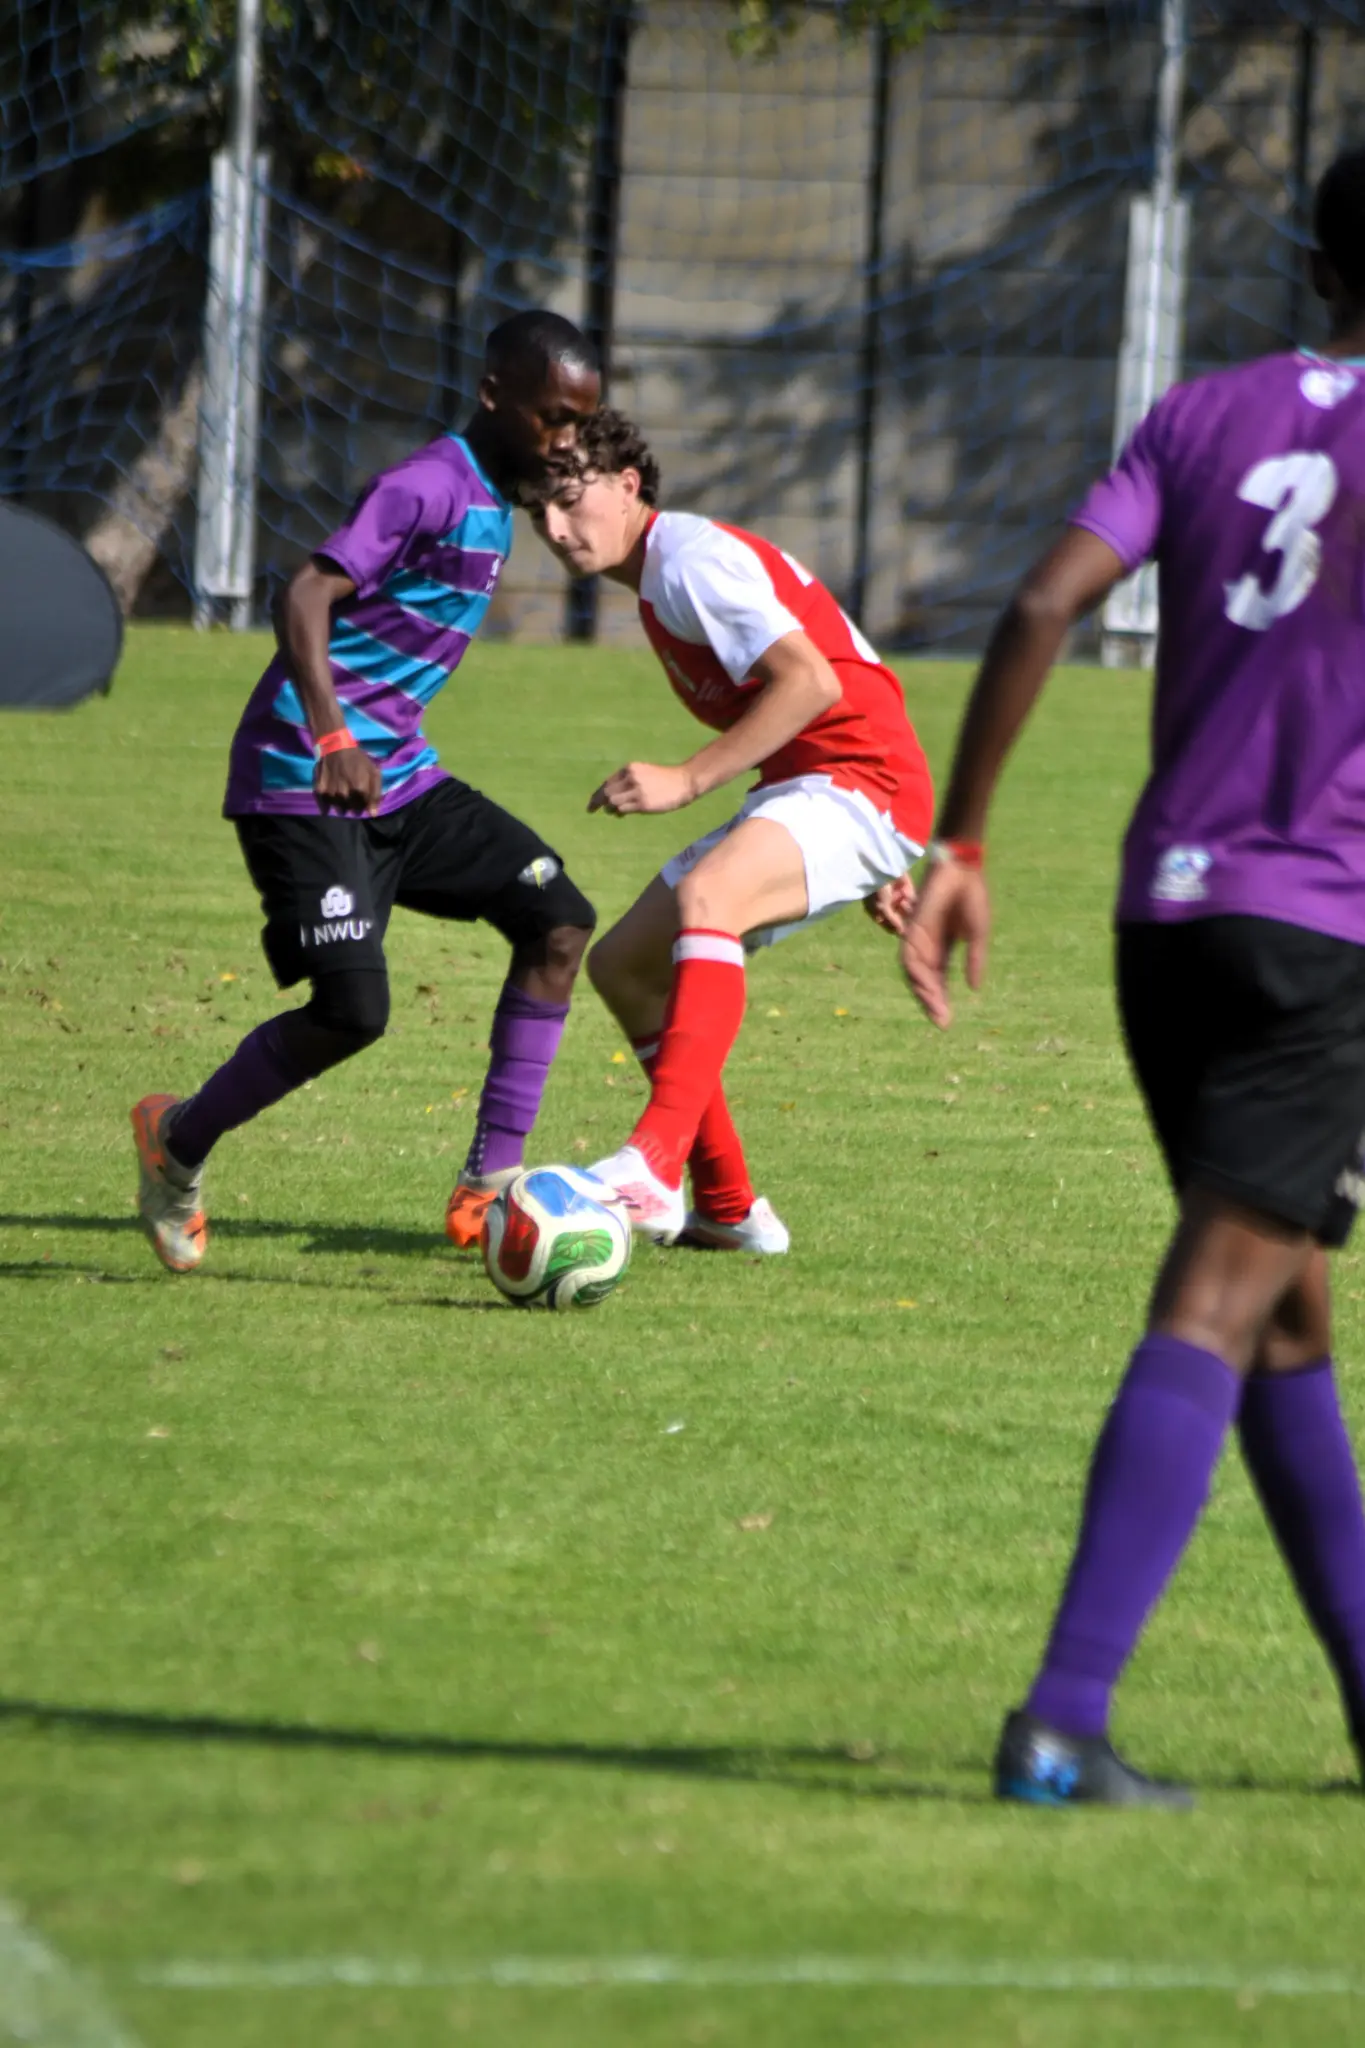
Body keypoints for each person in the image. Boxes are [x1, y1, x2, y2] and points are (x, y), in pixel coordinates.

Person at [903, 145, 1365, 1806]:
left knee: (1287, 1308)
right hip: (1321, 927)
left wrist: (960, 839)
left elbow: (1039, 602)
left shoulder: (1202, 412)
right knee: (1222, 1299)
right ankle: (1060, 1719)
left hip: (1161, 918)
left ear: (1321, 266)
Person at [132, 311, 601, 1271]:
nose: (564, 440)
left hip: (400, 781)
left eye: (578, 423)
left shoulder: (501, 497)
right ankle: (175, 1142)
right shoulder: (425, 486)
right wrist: (333, 735)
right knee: (353, 1013)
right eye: (552, 419)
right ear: (492, 397)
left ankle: (489, 1185)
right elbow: (303, 593)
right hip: (303, 778)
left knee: (558, 919)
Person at [526, 408, 933, 1250]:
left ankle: (651, 1162)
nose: (558, 530)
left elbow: (811, 683)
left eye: (572, 501)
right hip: (824, 788)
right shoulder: (658, 573)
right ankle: (728, 1206)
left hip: (860, 781)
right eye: (541, 514)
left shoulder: (689, 564)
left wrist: (686, 780)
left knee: (709, 897)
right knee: (626, 965)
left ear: (628, 485)